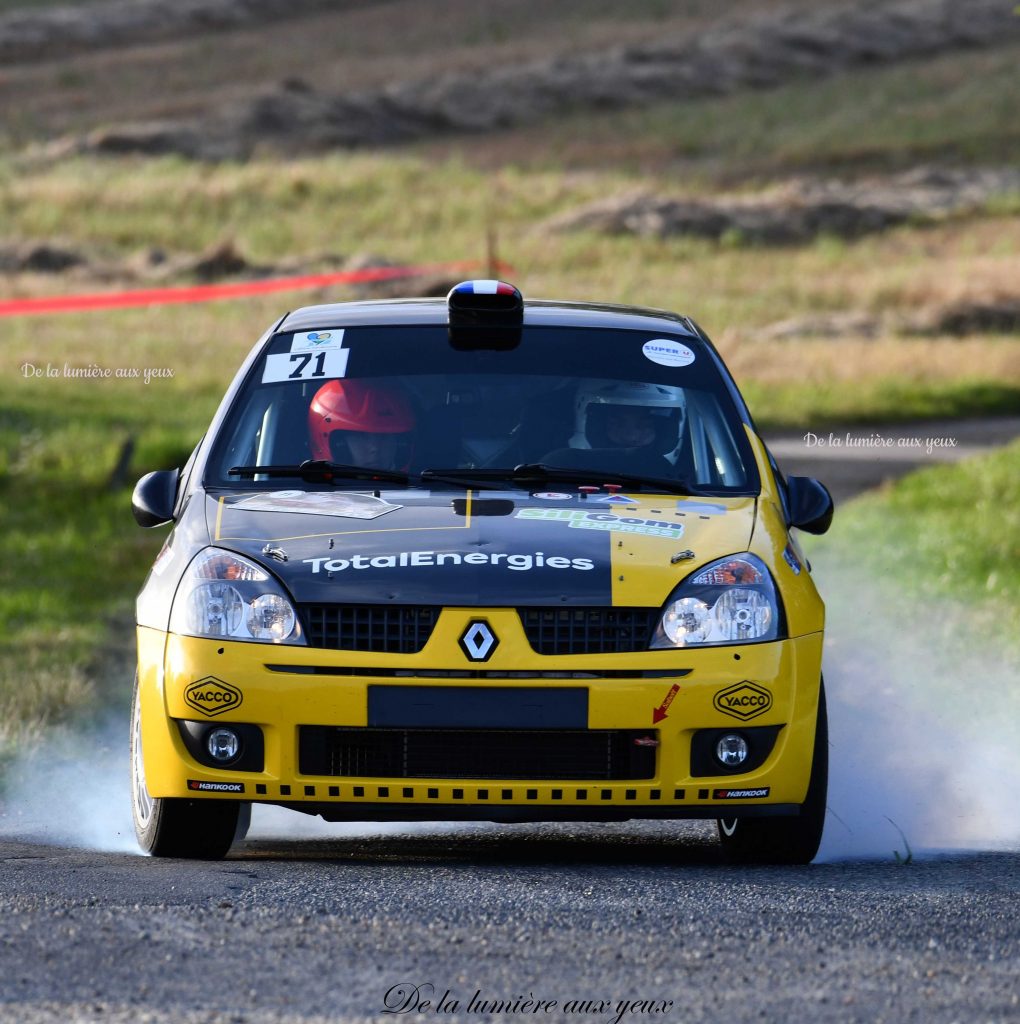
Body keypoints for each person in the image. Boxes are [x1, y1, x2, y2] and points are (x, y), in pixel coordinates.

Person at [307, 379, 415, 471]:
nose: (375, 448)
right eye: (362, 437)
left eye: (384, 436)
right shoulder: (305, 493)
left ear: (400, 443)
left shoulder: (421, 486)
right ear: (338, 443)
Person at [570, 380, 682, 455]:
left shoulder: (694, 478)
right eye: (618, 424)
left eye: (645, 425)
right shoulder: (562, 470)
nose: (632, 436)